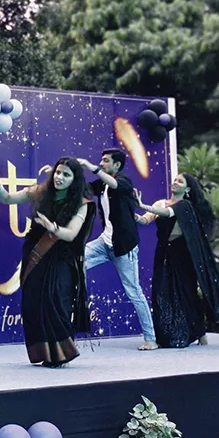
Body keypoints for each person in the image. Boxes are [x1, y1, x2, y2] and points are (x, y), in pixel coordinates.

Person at [0, 158, 95, 367]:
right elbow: (7, 198)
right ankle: (45, 353)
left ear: (75, 179)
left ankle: (62, 354)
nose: (59, 177)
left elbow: (71, 234)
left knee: (55, 301)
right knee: (33, 302)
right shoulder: (40, 192)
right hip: (34, 254)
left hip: (61, 258)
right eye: (58, 172)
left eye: (66, 175)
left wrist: (53, 228)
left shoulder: (81, 204)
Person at [77, 148, 157, 351]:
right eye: (101, 160)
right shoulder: (102, 183)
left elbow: (115, 185)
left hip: (124, 247)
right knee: (74, 259)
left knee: (134, 292)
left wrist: (91, 167)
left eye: (106, 161)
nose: (101, 163)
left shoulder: (123, 181)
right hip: (104, 243)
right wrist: (60, 173)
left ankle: (151, 339)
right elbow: (82, 189)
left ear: (117, 165)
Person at [135, 173, 219, 349]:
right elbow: (146, 219)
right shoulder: (160, 203)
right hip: (163, 252)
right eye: (175, 180)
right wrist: (134, 215)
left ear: (187, 189)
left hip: (183, 254)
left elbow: (168, 213)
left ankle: (199, 331)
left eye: (180, 181)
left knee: (187, 292)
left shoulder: (185, 206)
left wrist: (142, 205)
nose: (175, 182)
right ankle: (165, 335)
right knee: (161, 292)